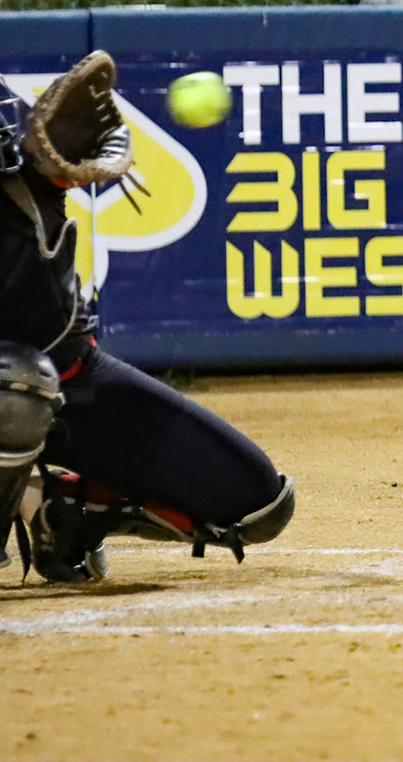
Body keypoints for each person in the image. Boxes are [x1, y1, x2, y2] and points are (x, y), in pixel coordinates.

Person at [0, 52, 295, 583]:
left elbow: (54, 347)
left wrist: (49, 184)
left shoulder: (22, 202)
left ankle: (55, 507)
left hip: (58, 387)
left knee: (255, 502)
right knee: (15, 388)